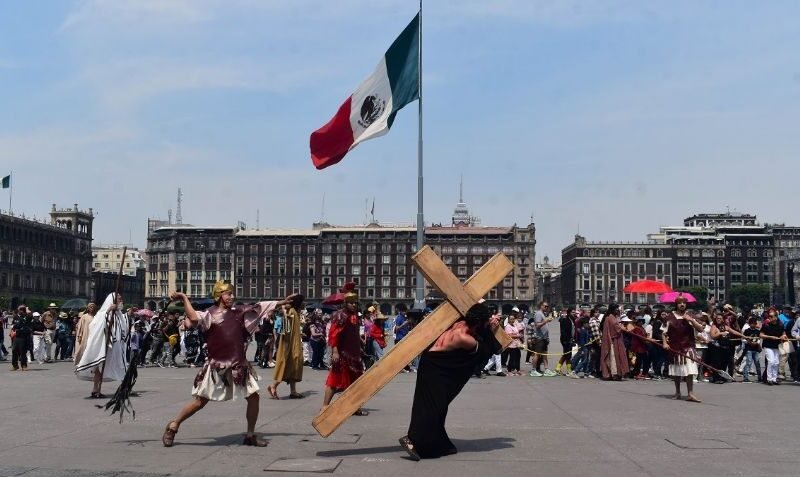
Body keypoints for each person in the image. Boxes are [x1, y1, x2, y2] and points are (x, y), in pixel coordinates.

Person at [161, 282, 296, 448]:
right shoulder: (209, 314)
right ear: (218, 296)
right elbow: (194, 318)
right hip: (218, 365)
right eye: (228, 294)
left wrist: (281, 302)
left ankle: (250, 435)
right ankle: (173, 426)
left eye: (232, 294)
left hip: (239, 364)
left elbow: (259, 307)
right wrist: (183, 298)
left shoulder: (239, 312)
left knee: (254, 397)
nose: (232, 297)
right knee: (199, 402)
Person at [399, 303, 502, 461]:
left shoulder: (458, 323)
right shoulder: (464, 338)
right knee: (432, 407)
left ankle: (437, 442)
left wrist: (487, 323)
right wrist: (491, 330)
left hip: (431, 364)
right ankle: (413, 440)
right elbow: (483, 352)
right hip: (435, 369)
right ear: (480, 324)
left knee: (436, 406)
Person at [321, 283, 367, 415]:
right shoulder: (339, 315)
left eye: (355, 303)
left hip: (354, 354)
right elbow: (334, 334)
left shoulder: (355, 316)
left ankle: (354, 406)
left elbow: (355, 334)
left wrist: (360, 347)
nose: (354, 305)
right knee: (334, 381)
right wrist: (335, 351)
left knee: (355, 383)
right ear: (345, 302)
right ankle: (325, 406)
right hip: (342, 354)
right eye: (351, 303)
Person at [76, 293, 130, 399]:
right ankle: (96, 389)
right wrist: (108, 311)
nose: (121, 301)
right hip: (102, 345)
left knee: (119, 365)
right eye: (119, 299)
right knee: (98, 367)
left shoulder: (118, 314)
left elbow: (123, 327)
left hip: (114, 346)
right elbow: (96, 325)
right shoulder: (102, 313)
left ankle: (121, 388)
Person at [663, 295, 706, 403]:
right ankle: (677, 392)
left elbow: (700, 329)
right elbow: (663, 332)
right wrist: (664, 343)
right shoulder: (669, 317)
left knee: (690, 371)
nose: (682, 304)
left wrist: (691, 320)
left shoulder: (690, 316)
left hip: (688, 346)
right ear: (676, 304)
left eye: (684, 303)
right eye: (679, 302)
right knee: (677, 371)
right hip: (675, 346)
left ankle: (690, 393)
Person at [268, 295, 305, 399]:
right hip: (289, 344)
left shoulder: (295, 313)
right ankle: (273, 386)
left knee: (294, 366)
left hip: (294, 343)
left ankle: (293, 391)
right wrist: (286, 346)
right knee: (287, 365)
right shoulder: (291, 312)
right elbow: (286, 329)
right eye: (303, 301)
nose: (304, 303)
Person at [760, 308, 788, 386]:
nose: (770, 318)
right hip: (768, 345)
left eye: (772, 316)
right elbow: (761, 335)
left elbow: (783, 333)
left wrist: (783, 336)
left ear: (776, 317)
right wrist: (770, 337)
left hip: (776, 345)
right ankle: (769, 379)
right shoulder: (766, 325)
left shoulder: (780, 324)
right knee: (771, 361)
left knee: (776, 362)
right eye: (769, 316)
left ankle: (774, 378)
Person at [600, 304, 629, 380]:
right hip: (612, 341)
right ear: (612, 309)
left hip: (618, 340)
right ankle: (613, 374)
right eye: (616, 309)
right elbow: (615, 329)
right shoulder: (609, 318)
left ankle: (618, 373)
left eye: (618, 309)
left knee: (619, 357)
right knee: (613, 357)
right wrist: (621, 327)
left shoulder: (615, 317)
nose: (617, 311)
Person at [528, 301, 556, 377]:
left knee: (544, 355)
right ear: (541, 306)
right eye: (545, 306)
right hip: (539, 338)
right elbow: (537, 325)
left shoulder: (543, 314)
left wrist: (547, 337)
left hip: (544, 338)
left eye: (547, 306)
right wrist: (546, 320)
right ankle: (533, 370)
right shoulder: (538, 314)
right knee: (536, 354)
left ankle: (546, 369)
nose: (546, 308)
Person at [10, 306, 32, 371]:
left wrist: (27, 310)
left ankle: (24, 365)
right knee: (14, 351)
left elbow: (30, 315)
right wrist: (14, 327)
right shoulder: (16, 317)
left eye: (23, 310)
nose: (21, 311)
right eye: (20, 310)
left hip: (23, 337)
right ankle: (15, 365)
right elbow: (12, 325)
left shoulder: (27, 317)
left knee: (22, 352)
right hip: (16, 336)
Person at [741, 316, 762, 383]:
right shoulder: (747, 331)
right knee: (748, 363)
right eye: (751, 323)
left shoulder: (758, 331)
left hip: (755, 349)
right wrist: (748, 342)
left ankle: (759, 377)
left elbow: (759, 339)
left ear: (756, 324)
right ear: (749, 324)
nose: (753, 325)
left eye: (754, 323)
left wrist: (757, 343)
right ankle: (745, 377)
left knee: (757, 363)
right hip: (749, 349)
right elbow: (743, 339)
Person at [556, 309, 575, 376]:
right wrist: (565, 340)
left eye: (574, 312)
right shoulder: (565, 320)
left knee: (567, 354)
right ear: (569, 313)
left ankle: (559, 368)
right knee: (567, 354)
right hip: (566, 340)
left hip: (570, 339)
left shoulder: (572, 319)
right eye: (573, 312)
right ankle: (566, 369)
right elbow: (563, 331)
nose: (574, 313)